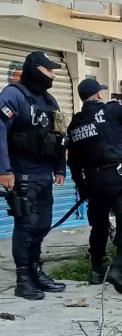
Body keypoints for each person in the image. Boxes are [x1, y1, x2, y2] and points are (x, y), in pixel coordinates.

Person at [66, 79, 122, 295]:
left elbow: (73, 161)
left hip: (92, 181)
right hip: (117, 177)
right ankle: (116, 269)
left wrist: (82, 187)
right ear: (98, 95)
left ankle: (96, 271)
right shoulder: (111, 111)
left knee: (98, 226)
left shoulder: (76, 123)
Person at [0, 51, 68, 300]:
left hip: (44, 174)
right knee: (26, 225)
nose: (52, 75)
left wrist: (60, 167)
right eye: (48, 70)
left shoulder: (50, 101)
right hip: (21, 173)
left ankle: (36, 270)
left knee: (42, 224)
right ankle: (23, 279)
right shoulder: (13, 95)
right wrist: (4, 170)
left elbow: (60, 136)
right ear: (35, 70)